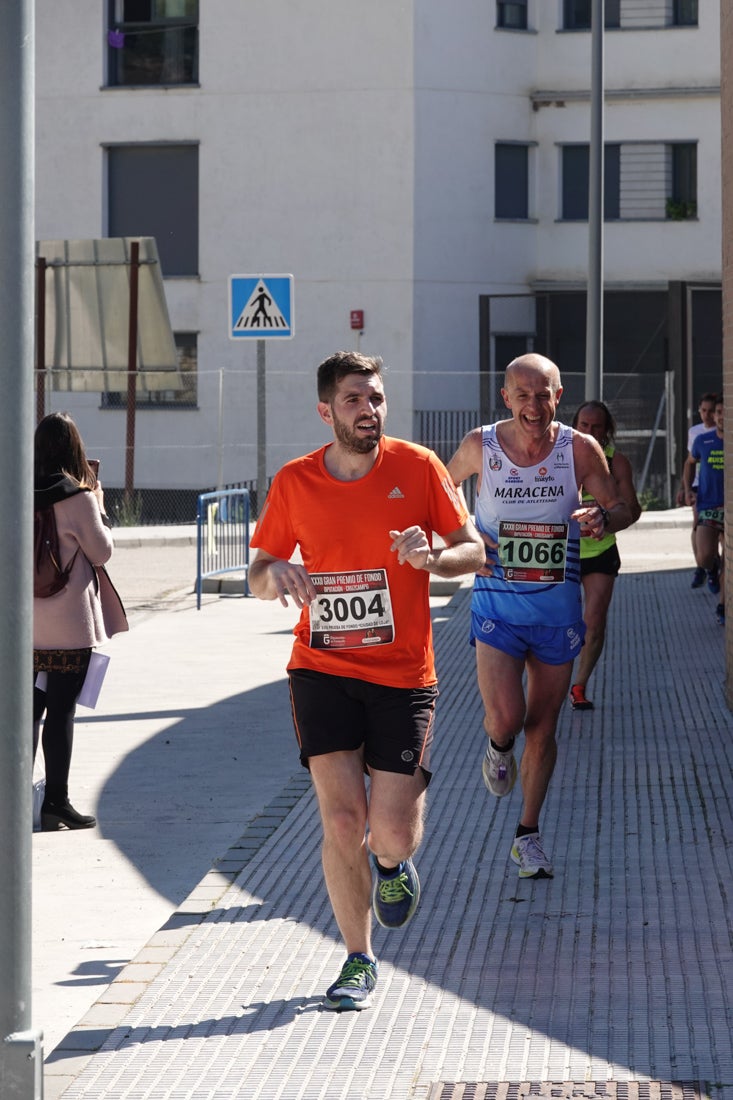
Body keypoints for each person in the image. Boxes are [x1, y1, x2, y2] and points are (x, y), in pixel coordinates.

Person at [248, 350, 485, 1011]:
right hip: (320, 668)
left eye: (375, 398)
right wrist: (279, 577)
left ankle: (390, 864)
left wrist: (431, 556)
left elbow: (472, 548)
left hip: (403, 676)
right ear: (326, 411)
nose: (368, 410)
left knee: (390, 830)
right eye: (354, 400)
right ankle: (357, 956)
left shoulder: (417, 468)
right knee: (341, 817)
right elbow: (259, 569)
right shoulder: (294, 481)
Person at [447, 354, 634, 880]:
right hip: (496, 608)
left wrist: (602, 516)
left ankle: (527, 835)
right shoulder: (479, 445)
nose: (534, 405)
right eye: (523, 395)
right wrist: (465, 530)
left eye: (544, 394)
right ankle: (496, 747)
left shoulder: (579, 447)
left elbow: (622, 507)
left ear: (559, 394)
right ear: (506, 397)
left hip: (557, 613)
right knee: (507, 718)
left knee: (544, 728)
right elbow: (436, 495)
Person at [34, 412, 128, 830]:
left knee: (25, 714)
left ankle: (12, 802)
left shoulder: (15, 490)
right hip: (70, 628)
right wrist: (100, 504)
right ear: (76, 450)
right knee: (60, 715)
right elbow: (101, 552)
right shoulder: (79, 497)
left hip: (23, 628)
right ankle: (56, 803)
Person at [567, 401, 641, 710]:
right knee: (557, 621)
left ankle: (579, 685)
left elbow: (633, 510)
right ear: (575, 426)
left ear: (607, 430)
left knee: (594, 622)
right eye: (584, 425)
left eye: (597, 426)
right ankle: (552, 679)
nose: (590, 431)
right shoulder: (561, 458)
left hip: (600, 550)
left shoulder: (616, 462)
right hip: (563, 553)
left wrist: (605, 520)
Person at [683, 396, 724, 622]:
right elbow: (689, 463)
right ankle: (709, 567)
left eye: (721, 411)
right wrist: (688, 489)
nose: (718, 416)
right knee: (705, 555)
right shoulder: (701, 438)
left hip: (728, 508)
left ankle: (722, 607)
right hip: (707, 502)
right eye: (716, 412)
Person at [677, 392, 718, 588]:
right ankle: (702, 566)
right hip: (697, 485)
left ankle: (711, 567)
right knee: (697, 522)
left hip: (715, 484)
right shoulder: (696, 432)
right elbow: (689, 461)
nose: (707, 415)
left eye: (712, 411)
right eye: (704, 411)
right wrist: (684, 488)